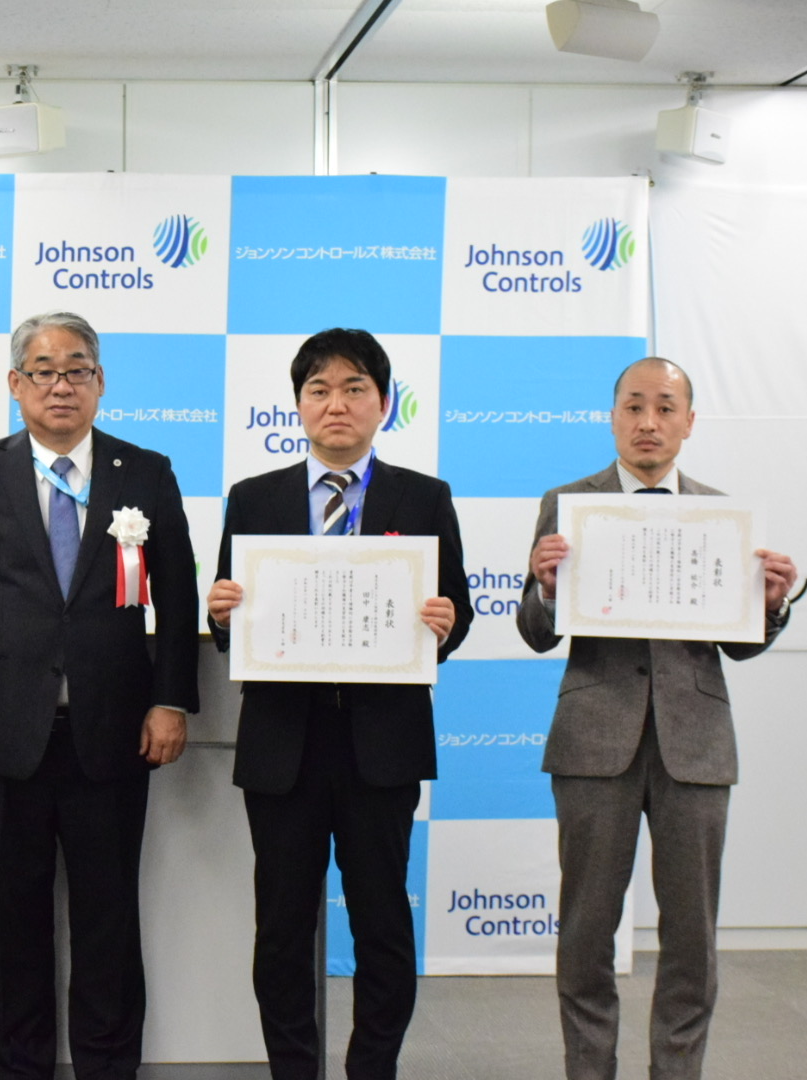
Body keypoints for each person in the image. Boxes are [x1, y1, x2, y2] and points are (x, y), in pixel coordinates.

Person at [0, 310, 199, 1080]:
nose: (61, 386)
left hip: (113, 732)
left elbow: (178, 596)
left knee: (109, 921)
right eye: (43, 371)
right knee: (13, 924)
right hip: (2, 736)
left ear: (100, 382)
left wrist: (171, 700)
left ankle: (109, 1068)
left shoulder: (146, 472)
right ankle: (22, 1068)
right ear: (16, 384)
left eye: (77, 370)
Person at [515, 357, 797, 1080]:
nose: (649, 422)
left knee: (692, 938)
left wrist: (769, 606)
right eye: (634, 406)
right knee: (586, 931)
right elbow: (536, 632)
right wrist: (546, 588)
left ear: (689, 422)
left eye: (666, 408)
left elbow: (740, 645)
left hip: (695, 746)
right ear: (612, 417)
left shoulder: (721, 514)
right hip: (593, 741)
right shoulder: (566, 504)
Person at [206, 328, 471, 1080]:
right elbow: (231, 627)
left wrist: (445, 621)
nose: (336, 405)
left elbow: (456, 614)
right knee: (282, 930)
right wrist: (221, 613)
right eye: (319, 390)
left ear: (383, 403)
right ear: (297, 405)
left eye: (355, 389)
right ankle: (293, 1069)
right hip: (283, 748)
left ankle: (372, 1069)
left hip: (381, 747)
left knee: (382, 926)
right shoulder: (253, 498)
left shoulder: (424, 497)